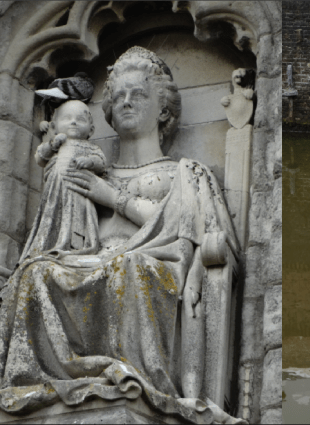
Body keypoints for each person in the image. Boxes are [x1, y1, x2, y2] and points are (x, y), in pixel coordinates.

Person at [0, 47, 241, 423]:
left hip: (153, 266)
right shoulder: (91, 170)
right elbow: (61, 229)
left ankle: (134, 382)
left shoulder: (184, 173)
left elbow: (194, 231)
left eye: (139, 94)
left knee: (129, 266)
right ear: (107, 110)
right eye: (118, 95)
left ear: (163, 110)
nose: (126, 101)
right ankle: (40, 386)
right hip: (90, 260)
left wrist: (113, 198)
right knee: (35, 273)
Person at [20, 100, 105, 261]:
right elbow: (40, 158)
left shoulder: (91, 147)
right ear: (54, 126)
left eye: (80, 119)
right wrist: (52, 144)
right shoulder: (56, 145)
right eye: (67, 118)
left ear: (91, 129)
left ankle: (76, 248)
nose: (73, 122)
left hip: (79, 192)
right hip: (55, 192)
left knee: (79, 219)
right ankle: (47, 245)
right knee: (52, 218)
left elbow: (101, 162)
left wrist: (89, 162)